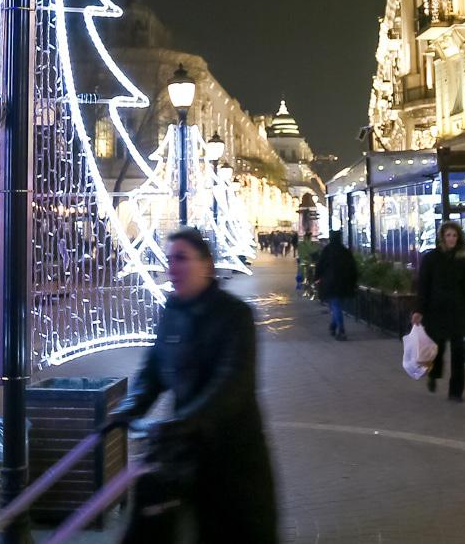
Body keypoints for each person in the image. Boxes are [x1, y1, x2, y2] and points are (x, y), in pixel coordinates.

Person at [109, 228, 277, 544]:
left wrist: (187, 420)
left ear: (206, 265)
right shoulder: (172, 311)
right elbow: (154, 371)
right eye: (170, 259)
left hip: (235, 455)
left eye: (182, 258)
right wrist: (129, 408)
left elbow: (232, 382)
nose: (173, 267)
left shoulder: (235, 315)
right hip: (190, 453)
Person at [412, 221, 465, 402]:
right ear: (442, 237)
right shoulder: (431, 259)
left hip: (457, 311)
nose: (451, 239)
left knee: (458, 352)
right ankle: (433, 375)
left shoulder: (461, 261)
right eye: (448, 235)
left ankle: (456, 392)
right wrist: (419, 310)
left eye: (454, 235)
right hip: (436, 312)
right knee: (437, 349)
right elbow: (423, 286)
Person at [313, 230, 358, 341]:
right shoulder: (345, 251)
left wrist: (316, 278)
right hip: (344, 283)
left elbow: (320, 265)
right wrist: (354, 282)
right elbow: (353, 268)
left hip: (330, 283)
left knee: (335, 305)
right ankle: (333, 326)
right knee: (337, 305)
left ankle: (341, 330)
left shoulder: (327, 251)